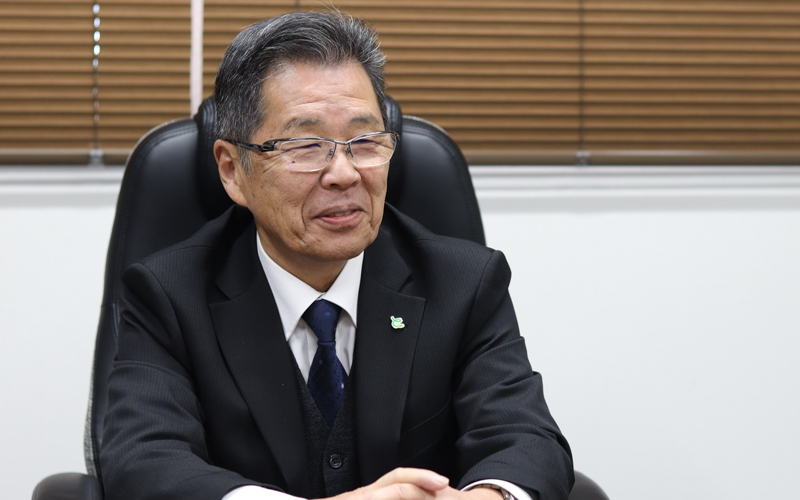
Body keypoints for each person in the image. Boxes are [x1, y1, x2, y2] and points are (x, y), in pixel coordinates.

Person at [99, 10, 573, 500]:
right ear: (233, 171)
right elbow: (144, 461)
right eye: (305, 145)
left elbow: (527, 441)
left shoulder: (463, 282)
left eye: (365, 142)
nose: (344, 174)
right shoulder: (169, 295)